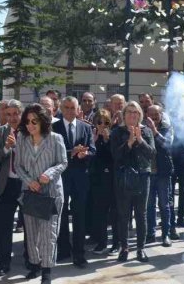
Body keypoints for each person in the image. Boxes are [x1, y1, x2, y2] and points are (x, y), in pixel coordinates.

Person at [15, 103, 68, 284]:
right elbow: (18, 165)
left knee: (49, 233)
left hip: (51, 192)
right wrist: (29, 181)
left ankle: (47, 271)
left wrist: (49, 174)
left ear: (43, 121)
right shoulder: (22, 139)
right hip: (30, 192)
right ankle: (35, 264)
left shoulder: (55, 138)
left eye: (34, 122)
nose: (30, 125)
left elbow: (63, 162)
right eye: (27, 121)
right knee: (31, 233)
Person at [111, 102, 156, 262]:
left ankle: (140, 248)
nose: (132, 115)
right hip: (124, 178)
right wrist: (129, 142)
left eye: (135, 112)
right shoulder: (117, 132)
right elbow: (116, 156)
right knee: (123, 215)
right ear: (124, 115)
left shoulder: (147, 131)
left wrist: (140, 140)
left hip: (143, 177)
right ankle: (124, 248)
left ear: (140, 115)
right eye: (129, 112)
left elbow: (152, 154)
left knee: (141, 214)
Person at [53, 97, 95, 267]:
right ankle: (63, 249)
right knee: (61, 214)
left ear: (78, 110)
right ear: (61, 109)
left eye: (73, 108)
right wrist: (71, 152)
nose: (70, 111)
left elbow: (93, 150)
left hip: (80, 177)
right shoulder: (54, 127)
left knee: (79, 215)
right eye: (67, 107)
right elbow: (51, 153)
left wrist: (86, 154)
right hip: (61, 177)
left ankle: (79, 253)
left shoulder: (86, 127)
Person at [0, 100, 23, 275]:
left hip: (26, 184)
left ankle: (31, 260)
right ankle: (4, 263)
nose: (12, 118)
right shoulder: (0, 132)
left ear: (21, 114)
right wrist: (6, 148)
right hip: (7, 184)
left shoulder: (30, 130)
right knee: (4, 227)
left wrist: (19, 148)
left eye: (15, 114)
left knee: (30, 226)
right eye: (8, 114)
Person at [145, 104, 176, 247]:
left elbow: (167, 144)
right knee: (149, 205)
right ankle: (150, 234)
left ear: (161, 115)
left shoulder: (167, 127)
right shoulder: (142, 128)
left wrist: (154, 131)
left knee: (164, 205)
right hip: (148, 172)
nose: (154, 117)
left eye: (156, 114)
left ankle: (166, 234)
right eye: (151, 115)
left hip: (163, 172)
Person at [89, 108, 116, 255]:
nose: (102, 125)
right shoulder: (91, 135)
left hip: (111, 179)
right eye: (99, 122)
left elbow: (114, 157)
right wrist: (93, 142)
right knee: (99, 212)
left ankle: (116, 243)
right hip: (96, 178)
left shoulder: (113, 135)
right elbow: (89, 157)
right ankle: (101, 242)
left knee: (114, 212)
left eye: (106, 122)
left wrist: (107, 140)